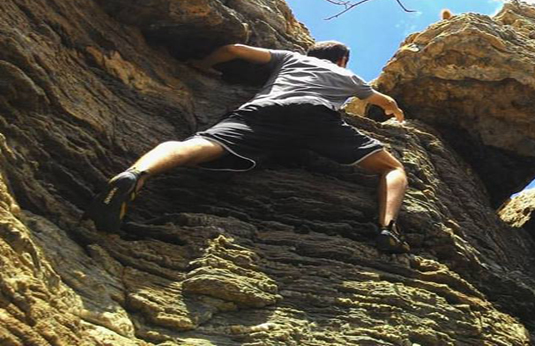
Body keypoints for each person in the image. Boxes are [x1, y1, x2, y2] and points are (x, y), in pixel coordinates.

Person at [84, 41, 410, 254]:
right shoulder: (348, 76)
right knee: (392, 168)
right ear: (341, 59)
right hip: (316, 119)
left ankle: (135, 174)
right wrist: (395, 116)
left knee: (201, 143)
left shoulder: (291, 58)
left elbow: (235, 49)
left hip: (263, 112)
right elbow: (386, 102)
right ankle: (387, 228)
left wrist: (203, 62)